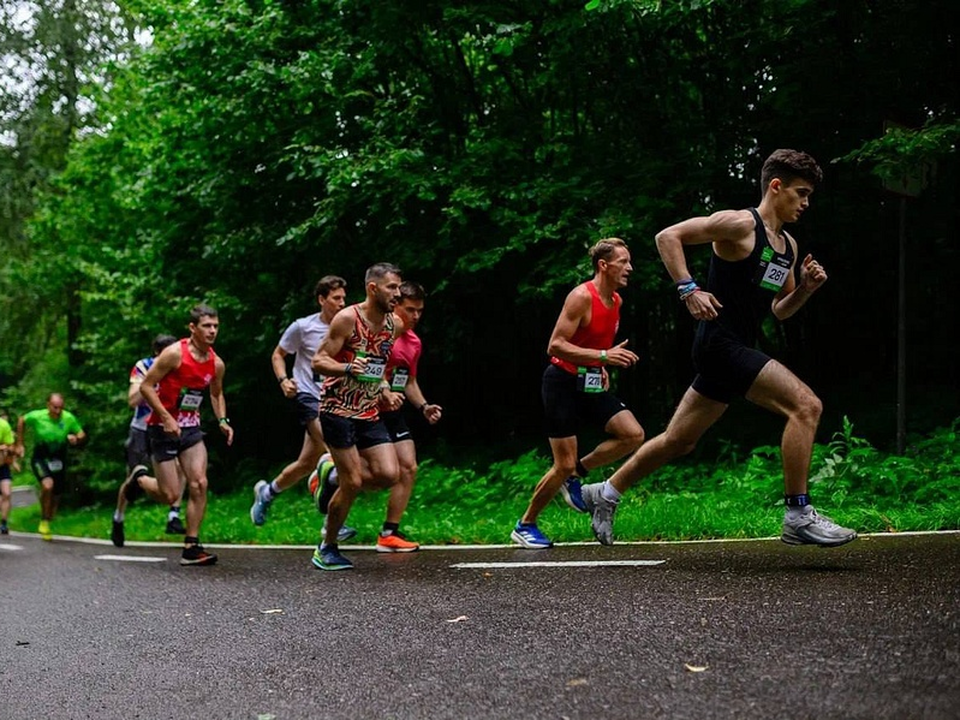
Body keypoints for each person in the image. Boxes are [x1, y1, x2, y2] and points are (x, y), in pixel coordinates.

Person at [580, 149, 857, 548]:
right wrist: (688, 288)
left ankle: (604, 492)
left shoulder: (788, 247)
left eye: (809, 195)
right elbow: (668, 236)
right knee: (806, 405)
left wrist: (808, 289)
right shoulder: (741, 224)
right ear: (775, 186)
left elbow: (781, 310)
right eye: (800, 193)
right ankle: (798, 513)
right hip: (719, 342)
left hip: (734, 347)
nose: (806, 203)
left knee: (680, 439)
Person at [511, 238, 645, 549]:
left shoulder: (616, 302)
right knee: (562, 463)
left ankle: (577, 475)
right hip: (561, 382)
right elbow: (555, 345)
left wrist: (600, 366)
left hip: (589, 382)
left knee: (632, 434)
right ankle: (525, 524)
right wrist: (603, 358)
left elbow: (591, 344)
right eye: (623, 262)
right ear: (604, 265)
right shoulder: (581, 296)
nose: (630, 268)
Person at [313, 281, 442, 553]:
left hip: (382, 409)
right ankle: (329, 541)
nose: (415, 316)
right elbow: (367, 364)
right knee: (354, 480)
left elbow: (405, 379)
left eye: (420, 311)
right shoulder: (367, 323)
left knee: (400, 470)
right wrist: (379, 388)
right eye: (410, 309)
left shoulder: (410, 340)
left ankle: (388, 531)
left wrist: (423, 406)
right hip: (353, 407)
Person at [310, 263, 404, 570]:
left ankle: (330, 474)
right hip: (337, 409)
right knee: (353, 481)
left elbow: (379, 366)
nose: (398, 293)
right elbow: (319, 360)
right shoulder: (348, 318)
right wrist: (346, 368)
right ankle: (327, 546)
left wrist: (386, 389)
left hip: (368, 409)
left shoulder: (394, 325)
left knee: (389, 474)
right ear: (373, 288)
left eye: (399, 287)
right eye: (392, 287)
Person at [249, 276, 352, 540]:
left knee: (306, 462)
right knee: (338, 454)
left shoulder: (348, 327)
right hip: (308, 396)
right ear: (322, 299)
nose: (342, 303)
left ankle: (267, 492)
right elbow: (278, 354)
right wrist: (284, 380)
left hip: (335, 399)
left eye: (343, 297)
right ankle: (331, 522)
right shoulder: (302, 327)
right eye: (336, 298)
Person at [139, 304, 234, 566]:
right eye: (207, 326)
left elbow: (216, 394)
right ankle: (140, 480)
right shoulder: (173, 354)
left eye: (215, 325)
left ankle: (191, 546)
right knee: (170, 495)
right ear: (193, 328)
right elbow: (147, 386)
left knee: (199, 483)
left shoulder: (216, 363)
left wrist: (223, 420)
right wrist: (167, 417)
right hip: (162, 427)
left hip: (191, 429)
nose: (212, 330)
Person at [111, 334, 188, 547]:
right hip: (142, 429)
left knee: (181, 467)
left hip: (167, 428)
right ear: (157, 354)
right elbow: (132, 400)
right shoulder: (143, 366)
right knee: (132, 477)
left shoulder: (180, 365)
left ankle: (174, 515)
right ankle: (118, 517)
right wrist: (153, 383)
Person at [14, 393, 87, 540]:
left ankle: (48, 515)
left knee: (57, 493)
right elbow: (22, 420)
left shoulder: (68, 418)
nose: (58, 411)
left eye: (60, 408)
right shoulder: (38, 416)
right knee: (48, 485)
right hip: (40, 457)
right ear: (48, 405)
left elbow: (81, 433)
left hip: (59, 457)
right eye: (55, 407)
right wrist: (20, 443)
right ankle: (44, 520)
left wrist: (76, 438)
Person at [0, 410, 16, 535]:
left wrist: (9, 449)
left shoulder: (4, 425)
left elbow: (11, 445)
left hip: (3, 465)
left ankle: (4, 523)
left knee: (7, 493)